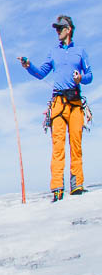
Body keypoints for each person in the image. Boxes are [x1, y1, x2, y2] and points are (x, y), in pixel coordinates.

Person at [19, 14, 92, 202]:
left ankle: (77, 185)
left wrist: (80, 79)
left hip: (75, 102)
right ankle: (57, 187)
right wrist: (29, 66)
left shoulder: (80, 51)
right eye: (57, 29)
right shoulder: (53, 52)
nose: (57, 31)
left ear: (69, 29)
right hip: (58, 103)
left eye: (60, 28)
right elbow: (41, 73)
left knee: (76, 144)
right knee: (57, 146)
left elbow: (90, 75)